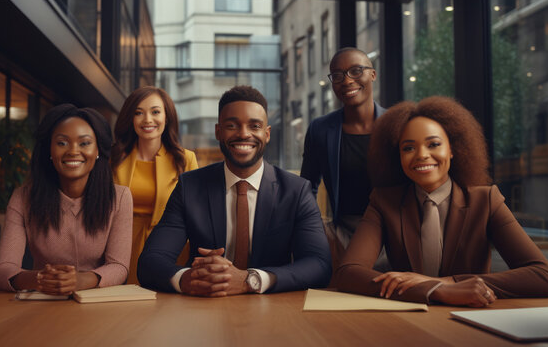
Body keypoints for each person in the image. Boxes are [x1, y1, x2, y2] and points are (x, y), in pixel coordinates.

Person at [335, 96, 548, 306]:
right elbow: (349, 273)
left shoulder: (486, 201)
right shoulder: (384, 202)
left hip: (470, 321)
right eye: (408, 148)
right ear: (398, 156)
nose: (421, 154)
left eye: (433, 144)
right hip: (409, 321)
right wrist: (434, 290)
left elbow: (542, 276)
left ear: (452, 149)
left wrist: (451, 282)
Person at [138, 85, 332, 296]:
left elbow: (319, 265)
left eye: (254, 126)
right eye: (232, 125)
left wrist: (252, 280)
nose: (243, 134)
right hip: (203, 308)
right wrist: (187, 279)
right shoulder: (190, 187)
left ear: (266, 134)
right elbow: (150, 261)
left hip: (274, 310)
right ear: (218, 132)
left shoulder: (296, 191)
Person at [0, 104, 133, 294]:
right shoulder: (23, 198)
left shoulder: (120, 197)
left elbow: (119, 267)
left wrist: (80, 280)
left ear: (98, 150)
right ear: (49, 150)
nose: (73, 151)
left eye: (84, 143)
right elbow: (1, 270)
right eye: (62, 143)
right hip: (43, 299)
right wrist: (42, 278)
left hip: (96, 302)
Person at [300, 47, 387, 273]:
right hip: (343, 231)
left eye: (356, 71)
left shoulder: (396, 123)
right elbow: (307, 186)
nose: (347, 80)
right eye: (338, 75)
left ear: (372, 74)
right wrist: (318, 229)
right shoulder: (320, 129)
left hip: (393, 231)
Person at [111, 86, 198, 285]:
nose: (147, 119)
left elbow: (194, 214)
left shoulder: (186, 159)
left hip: (169, 249)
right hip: (121, 246)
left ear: (167, 117)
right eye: (138, 113)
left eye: (155, 112)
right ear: (130, 119)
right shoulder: (113, 158)